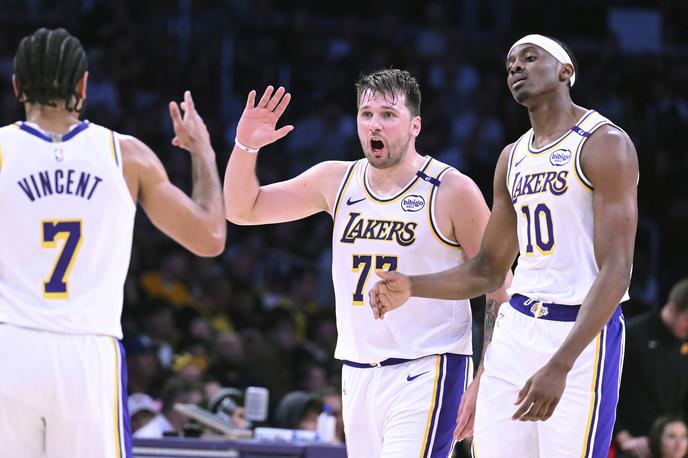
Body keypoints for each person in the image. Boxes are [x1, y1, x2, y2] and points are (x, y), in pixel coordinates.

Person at [370, 34, 638, 458]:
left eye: (530, 58)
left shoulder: (604, 143)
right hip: (516, 329)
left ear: (566, 72)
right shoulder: (511, 157)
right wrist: (412, 285)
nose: (516, 67)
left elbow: (618, 270)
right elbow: (488, 271)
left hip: (579, 334)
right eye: (510, 63)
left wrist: (560, 364)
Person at [224, 69, 509, 457]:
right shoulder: (335, 180)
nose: (375, 124)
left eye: (389, 115)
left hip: (429, 367)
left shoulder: (451, 189)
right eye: (366, 114)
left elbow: (502, 288)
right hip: (357, 371)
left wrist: (485, 379)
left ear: (415, 126)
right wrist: (245, 147)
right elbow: (242, 209)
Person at [0, 28, 226, 458]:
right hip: (88, 351)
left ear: (16, 86)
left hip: (9, 346)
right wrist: (203, 153)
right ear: (83, 86)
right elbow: (210, 237)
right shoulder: (127, 155)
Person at [616, 279, 688, 458]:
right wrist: (622, 436)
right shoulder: (634, 334)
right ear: (672, 309)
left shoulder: (684, 341)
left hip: (674, 446)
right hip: (636, 444)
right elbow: (607, 387)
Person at [134, 377, 206, 438]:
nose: (198, 411)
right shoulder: (148, 436)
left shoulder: (180, 432)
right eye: (195, 405)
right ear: (179, 405)